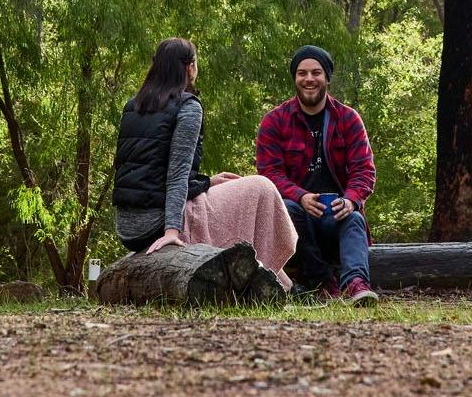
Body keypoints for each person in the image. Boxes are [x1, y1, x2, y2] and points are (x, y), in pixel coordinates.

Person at [110, 38, 297, 288]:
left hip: (128, 229)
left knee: (230, 187)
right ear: (189, 68)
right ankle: (272, 277)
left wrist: (207, 182)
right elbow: (175, 175)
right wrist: (172, 232)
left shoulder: (132, 106)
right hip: (160, 223)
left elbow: (148, 173)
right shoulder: (187, 107)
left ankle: (282, 282)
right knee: (260, 187)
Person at [254, 45, 378, 304]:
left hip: (336, 214)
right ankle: (322, 282)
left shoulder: (348, 119)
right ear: (295, 78)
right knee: (287, 209)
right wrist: (300, 196)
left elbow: (364, 170)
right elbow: (269, 173)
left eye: (316, 73)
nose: (309, 79)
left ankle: (356, 285)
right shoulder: (274, 121)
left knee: (355, 219)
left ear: (327, 78)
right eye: (302, 73)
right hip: (297, 221)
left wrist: (351, 200)